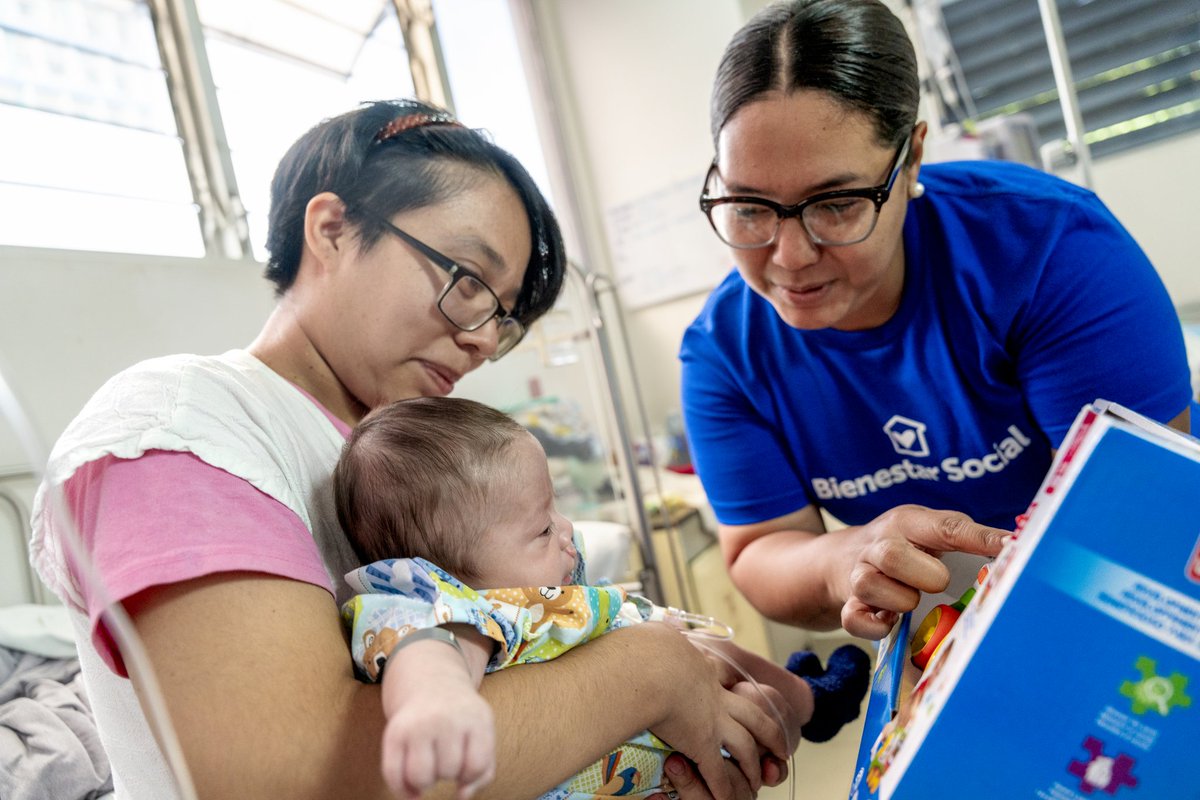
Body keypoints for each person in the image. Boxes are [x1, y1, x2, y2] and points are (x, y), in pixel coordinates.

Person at [30, 99, 796, 800]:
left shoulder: (394, 444)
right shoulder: (182, 423)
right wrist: (645, 674)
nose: (481, 339)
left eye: (503, 316)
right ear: (331, 228)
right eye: (467, 279)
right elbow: (286, 776)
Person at [679, 0, 1192, 642]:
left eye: (837, 204)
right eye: (749, 206)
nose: (790, 256)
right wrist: (848, 558)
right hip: (937, 634)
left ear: (912, 158)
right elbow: (759, 549)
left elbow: (1143, 511)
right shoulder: (727, 350)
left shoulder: (1045, 251)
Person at [333, 396, 872, 799]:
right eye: (542, 530)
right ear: (447, 574)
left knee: (710, 646)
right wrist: (433, 702)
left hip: (672, 711)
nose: (567, 530)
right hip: (643, 767)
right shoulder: (462, 613)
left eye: (555, 509)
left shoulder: (535, 591)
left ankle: (806, 698)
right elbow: (426, 649)